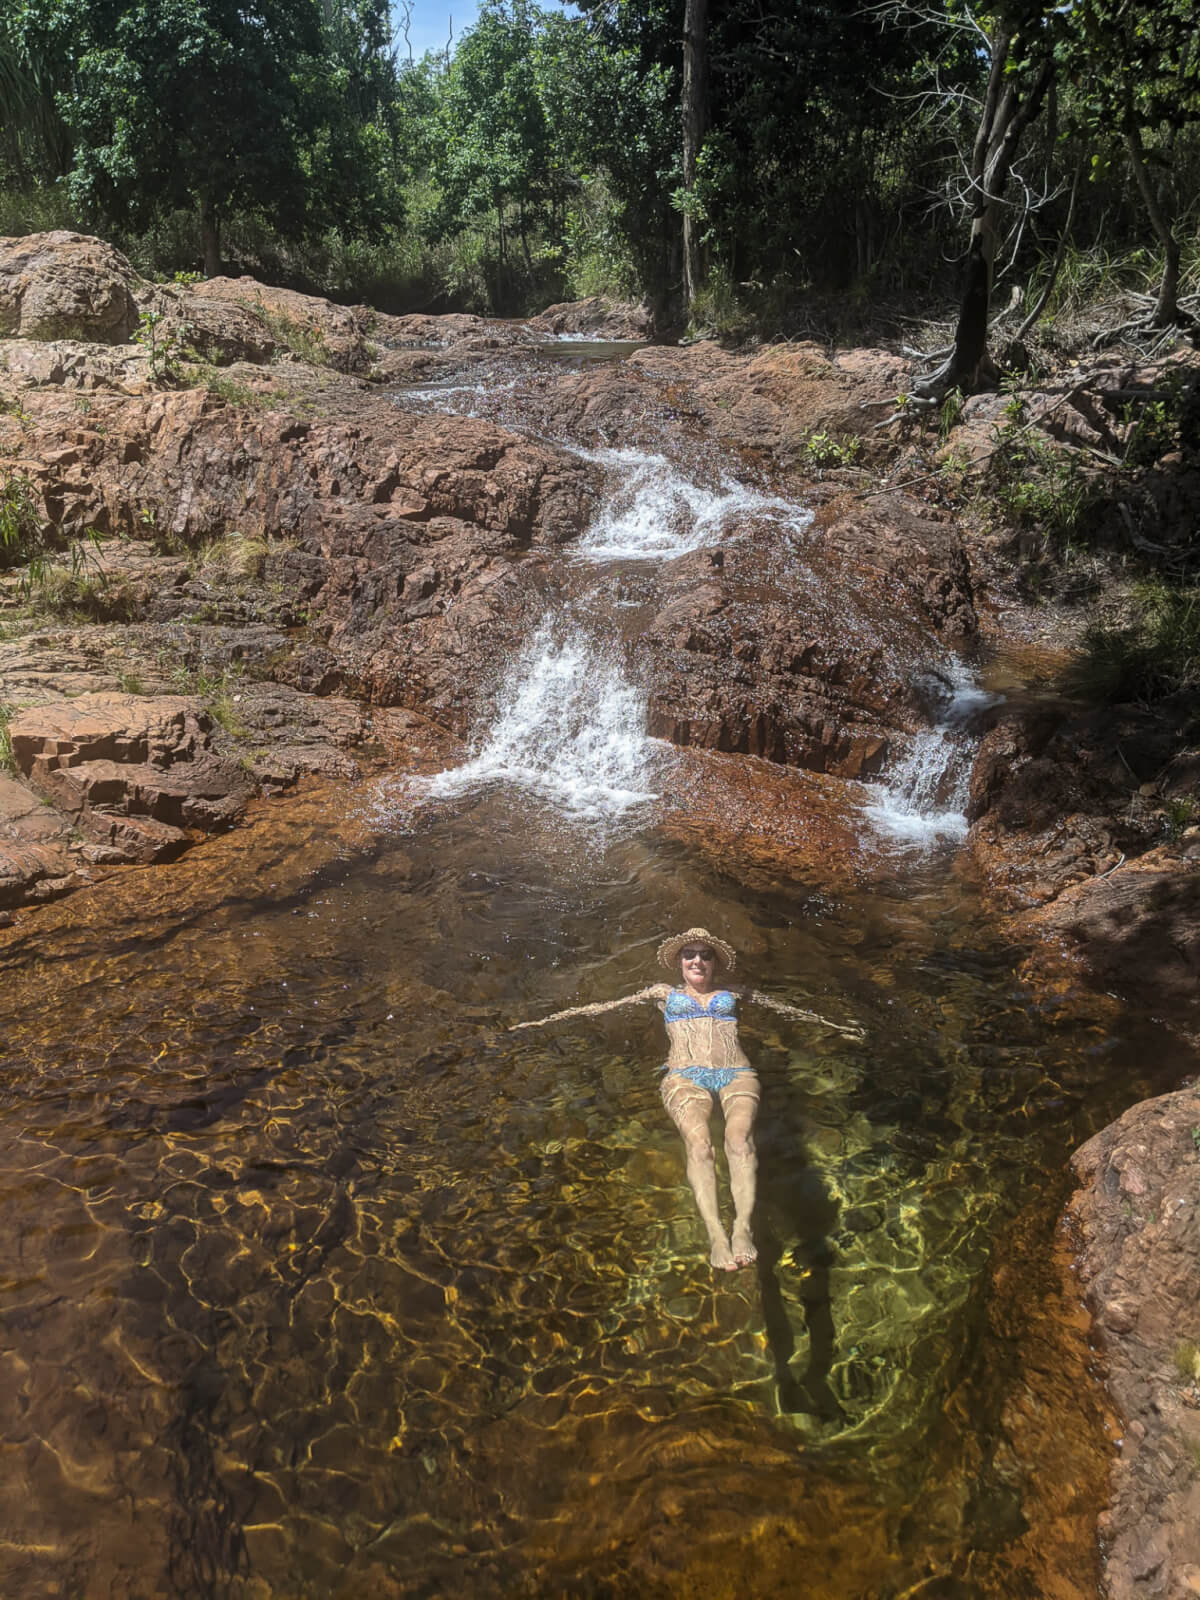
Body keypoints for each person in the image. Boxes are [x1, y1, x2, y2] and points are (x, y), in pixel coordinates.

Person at [511, 927, 863, 1273]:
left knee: (738, 1141)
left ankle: (741, 1228)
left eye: (705, 954)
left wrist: (836, 1026)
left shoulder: (733, 992)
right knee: (699, 1146)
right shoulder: (662, 992)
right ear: (678, 961)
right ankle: (716, 1235)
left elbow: (786, 1009)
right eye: (689, 954)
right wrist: (542, 1020)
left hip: (736, 1071)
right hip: (683, 1074)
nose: (697, 960)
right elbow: (603, 1007)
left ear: (714, 963)